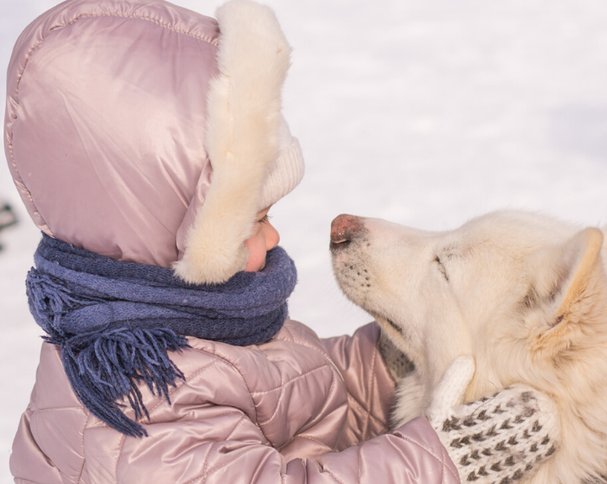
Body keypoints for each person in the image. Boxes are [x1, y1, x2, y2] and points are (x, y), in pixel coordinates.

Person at [4, 0, 558, 482]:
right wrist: (437, 464)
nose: (274, 237)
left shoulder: (203, 318)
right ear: (176, 238)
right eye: (251, 222)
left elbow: (306, 394)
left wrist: (392, 353)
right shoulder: (138, 401)